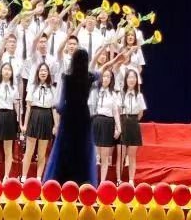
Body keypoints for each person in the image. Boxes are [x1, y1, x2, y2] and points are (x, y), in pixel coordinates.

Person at [43, 49, 98, 186]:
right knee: (82, 148)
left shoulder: (66, 78)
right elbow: (101, 71)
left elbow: (61, 102)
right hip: (83, 115)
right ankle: (81, 181)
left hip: (69, 115)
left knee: (65, 147)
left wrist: (59, 112)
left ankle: (61, 180)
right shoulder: (90, 78)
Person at [20, 63, 58, 182]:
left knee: (42, 152)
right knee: (29, 151)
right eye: (41, 70)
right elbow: (28, 108)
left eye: (45, 71)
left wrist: (56, 125)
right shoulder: (32, 87)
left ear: (48, 73)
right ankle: (23, 177)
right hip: (34, 116)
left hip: (47, 118)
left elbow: (54, 109)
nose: (43, 72)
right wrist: (25, 124)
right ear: (37, 73)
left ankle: (38, 178)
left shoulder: (53, 89)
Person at [116, 69, 146, 186]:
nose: (131, 80)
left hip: (133, 124)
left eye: (134, 77)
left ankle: (131, 180)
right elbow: (117, 111)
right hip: (122, 123)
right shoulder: (121, 94)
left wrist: (132, 120)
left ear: (136, 80)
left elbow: (140, 114)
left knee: (132, 156)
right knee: (121, 155)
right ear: (126, 80)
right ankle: (119, 180)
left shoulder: (139, 95)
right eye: (129, 77)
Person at [90, 68, 122, 182]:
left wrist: (119, 128)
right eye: (104, 76)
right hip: (96, 121)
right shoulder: (94, 92)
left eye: (108, 77)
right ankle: (92, 180)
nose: (106, 79)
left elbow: (115, 112)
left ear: (111, 79)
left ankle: (102, 182)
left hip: (108, 123)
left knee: (105, 155)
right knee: (94, 155)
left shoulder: (113, 94)